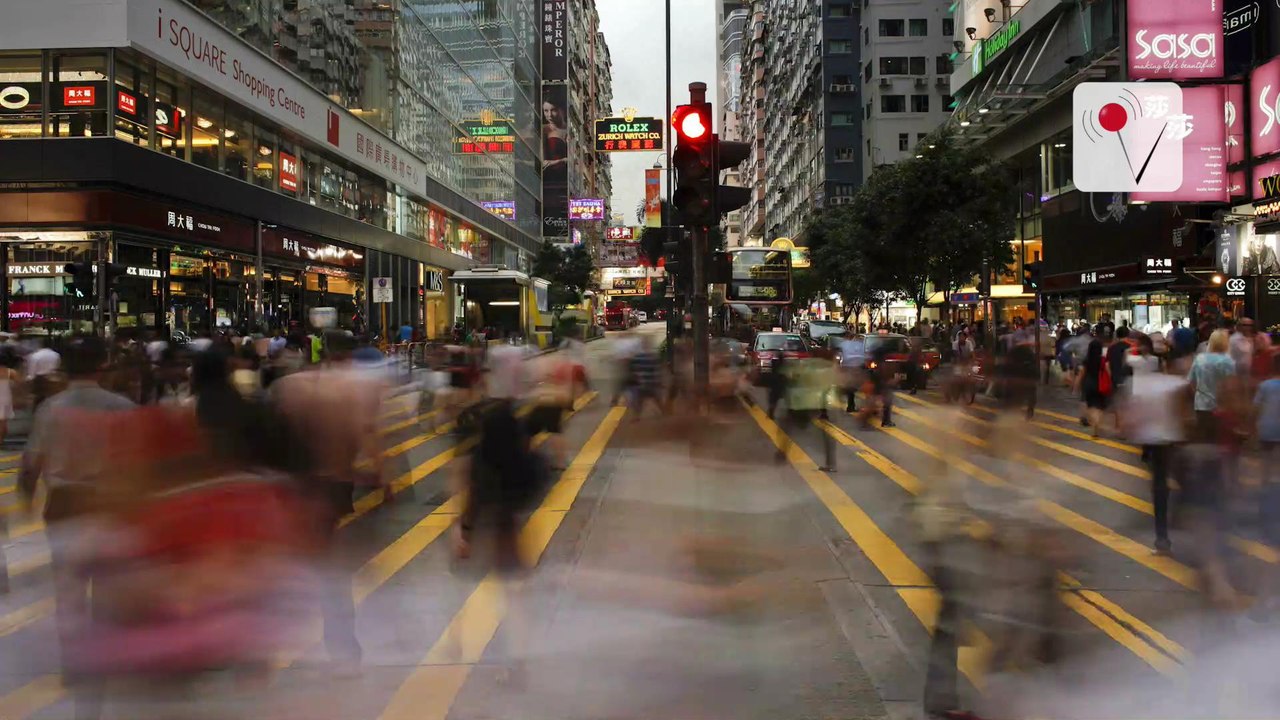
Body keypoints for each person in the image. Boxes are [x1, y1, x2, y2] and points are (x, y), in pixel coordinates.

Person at [18, 335, 135, 679]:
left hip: (64, 506)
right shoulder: (122, 407)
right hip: (110, 506)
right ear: (103, 365)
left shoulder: (50, 408)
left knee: (69, 588)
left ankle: (74, 662)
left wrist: (25, 499)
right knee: (108, 585)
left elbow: (31, 464)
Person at [270, 331, 386, 673]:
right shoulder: (352, 390)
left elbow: (272, 437)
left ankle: (263, 648)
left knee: (288, 569)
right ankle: (343, 652)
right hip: (333, 490)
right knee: (331, 576)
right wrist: (379, 473)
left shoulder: (290, 388)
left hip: (294, 489)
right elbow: (363, 433)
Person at [1121, 333, 1184, 555]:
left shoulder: (1141, 384)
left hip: (1153, 442)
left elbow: (1130, 419)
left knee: (1160, 487)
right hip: (1174, 442)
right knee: (1175, 484)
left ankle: (1162, 537)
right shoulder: (1177, 384)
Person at [775, 356, 836, 471]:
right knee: (824, 433)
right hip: (817, 404)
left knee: (787, 427)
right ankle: (831, 463)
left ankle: (782, 452)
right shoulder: (828, 367)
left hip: (799, 403)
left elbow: (788, 377)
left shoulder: (801, 365)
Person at [1187, 329, 1237, 443]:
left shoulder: (1199, 358)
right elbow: (1230, 386)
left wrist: (1198, 395)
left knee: (1205, 437)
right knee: (1219, 438)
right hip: (1220, 406)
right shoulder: (1227, 361)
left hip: (1201, 404)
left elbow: (1191, 382)